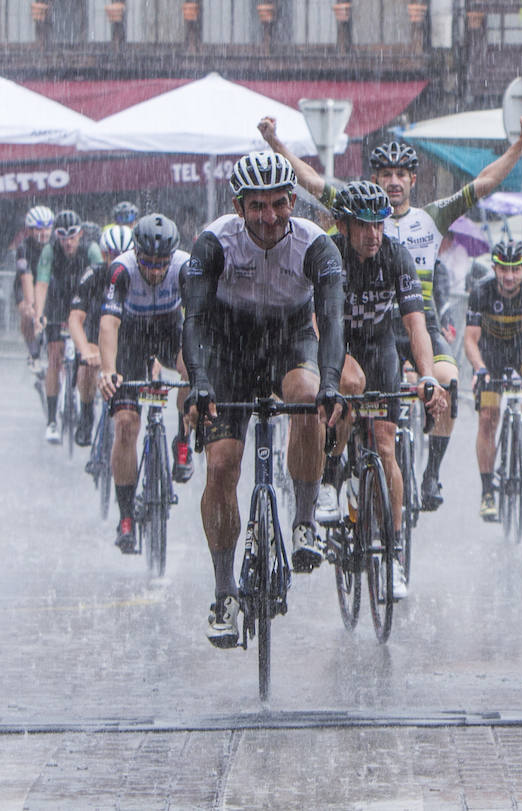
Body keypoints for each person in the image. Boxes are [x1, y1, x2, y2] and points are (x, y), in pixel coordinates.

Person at [258, 114, 522, 514]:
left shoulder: (432, 217)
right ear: (375, 180)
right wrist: (276, 143)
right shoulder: (355, 208)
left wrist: (521, 144)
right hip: (366, 326)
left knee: (446, 380)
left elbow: (484, 184)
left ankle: (431, 474)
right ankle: (339, 466)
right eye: (385, 174)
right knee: (350, 395)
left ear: (413, 181)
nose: (393, 181)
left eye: (401, 174)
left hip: (415, 322)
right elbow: (308, 180)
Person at [181, 151, 347, 649]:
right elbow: (194, 321)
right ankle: (224, 591)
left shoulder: (317, 246)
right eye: (257, 207)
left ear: (293, 200)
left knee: (308, 396)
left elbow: (333, 321)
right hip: (229, 347)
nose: (270, 217)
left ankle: (302, 521)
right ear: (238, 205)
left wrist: (333, 380)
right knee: (222, 466)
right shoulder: (214, 242)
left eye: (279, 204)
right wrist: (200, 382)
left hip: (289, 338)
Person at [316, 181, 448, 599]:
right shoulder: (329, 255)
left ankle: (392, 555)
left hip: (379, 347)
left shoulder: (396, 255)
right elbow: (320, 322)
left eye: (381, 225)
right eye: (364, 226)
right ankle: (331, 475)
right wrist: (331, 370)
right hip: (337, 343)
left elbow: (415, 323)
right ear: (343, 225)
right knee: (349, 390)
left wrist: (427, 375)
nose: (375, 235)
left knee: (386, 446)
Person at [97, 214, 193, 553]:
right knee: (125, 425)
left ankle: (182, 441)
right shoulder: (121, 270)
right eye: (148, 263)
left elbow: (199, 318)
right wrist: (108, 370)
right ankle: (125, 516)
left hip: (169, 329)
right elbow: (108, 323)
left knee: (191, 370)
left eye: (161, 264)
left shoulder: (184, 267)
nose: (154, 271)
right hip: (131, 337)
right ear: (137, 255)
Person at [464, 238, 522, 520]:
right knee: (488, 418)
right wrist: (479, 368)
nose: (509, 276)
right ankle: (487, 490)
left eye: (515, 269)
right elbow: (470, 339)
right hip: (489, 353)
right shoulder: (481, 291)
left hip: (521, 346)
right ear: (494, 268)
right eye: (503, 269)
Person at [33, 209, 105, 444]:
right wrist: (38, 315)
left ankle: (86, 412)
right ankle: (52, 421)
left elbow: (103, 284)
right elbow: (42, 283)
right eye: (62, 237)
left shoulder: (91, 250)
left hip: (85, 303)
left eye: (72, 236)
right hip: (59, 303)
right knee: (55, 356)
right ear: (57, 237)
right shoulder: (49, 250)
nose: (67, 242)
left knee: (88, 358)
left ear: (80, 234)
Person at [65, 225, 135, 447]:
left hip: (127, 339)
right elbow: (75, 317)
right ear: (104, 254)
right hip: (96, 335)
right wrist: (84, 349)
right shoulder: (93, 273)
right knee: (87, 367)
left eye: (125, 256)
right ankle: (86, 415)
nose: (119, 261)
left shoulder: (138, 275)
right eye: (114, 256)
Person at [15, 206, 55, 367]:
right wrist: (33, 307)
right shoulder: (23, 248)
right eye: (39, 229)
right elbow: (26, 278)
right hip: (27, 284)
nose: (44, 233)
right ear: (30, 230)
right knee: (28, 312)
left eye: (47, 228)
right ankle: (33, 352)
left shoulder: (55, 244)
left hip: (48, 284)